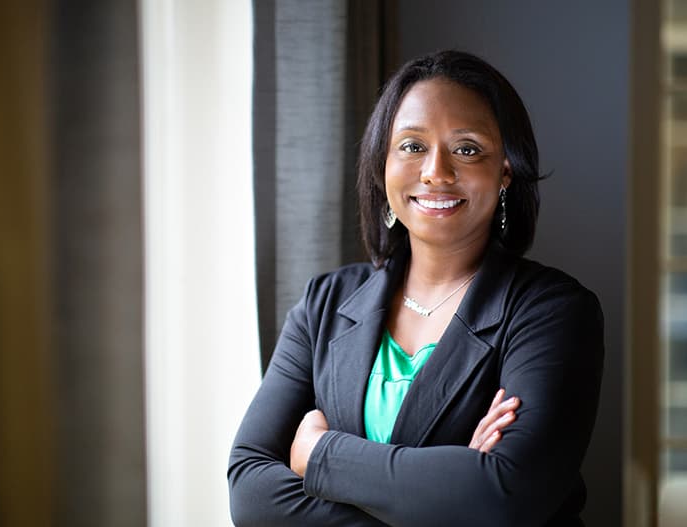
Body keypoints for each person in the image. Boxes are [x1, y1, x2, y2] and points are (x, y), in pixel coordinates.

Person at [228, 50, 604, 527]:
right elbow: (250, 494)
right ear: (382, 164)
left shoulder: (554, 312)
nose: (436, 172)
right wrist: (448, 495)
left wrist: (321, 454)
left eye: (467, 148)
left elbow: (506, 496)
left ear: (505, 171)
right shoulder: (324, 303)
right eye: (411, 146)